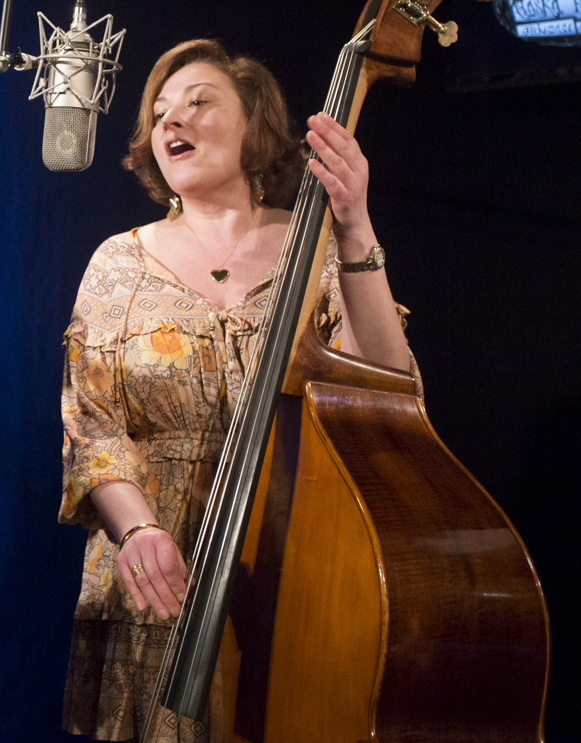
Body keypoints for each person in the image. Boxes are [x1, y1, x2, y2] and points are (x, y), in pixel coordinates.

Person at [58, 39, 419, 743]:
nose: (171, 121)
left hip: (294, 548)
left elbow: (393, 390)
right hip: (159, 566)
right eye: (159, 113)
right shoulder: (116, 263)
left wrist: (355, 227)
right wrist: (137, 528)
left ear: (255, 126)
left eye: (198, 102)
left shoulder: (317, 245)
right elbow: (93, 425)